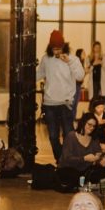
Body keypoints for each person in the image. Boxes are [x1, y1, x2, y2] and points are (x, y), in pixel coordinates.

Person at [37, 30, 84, 159]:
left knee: (69, 135)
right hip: (50, 103)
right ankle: (60, 160)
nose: (56, 51)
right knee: (52, 136)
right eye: (54, 49)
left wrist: (69, 61)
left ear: (64, 46)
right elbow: (39, 74)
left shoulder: (73, 59)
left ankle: (67, 159)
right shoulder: (46, 59)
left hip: (65, 103)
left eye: (58, 48)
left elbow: (80, 76)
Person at [56, 114, 103, 191]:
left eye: (94, 126)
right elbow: (66, 159)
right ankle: (83, 183)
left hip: (85, 170)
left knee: (102, 170)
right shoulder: (71, 136)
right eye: (89, 124)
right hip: (69, 168)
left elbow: (98, 152)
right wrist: (84, 158)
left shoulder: (94, 138)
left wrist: (99, 158)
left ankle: (84, 183)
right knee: (74, 176)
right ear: (83, 123)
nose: (92, 128)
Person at [85, 41, 105, 106]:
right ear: (93, 48)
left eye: (99, 47)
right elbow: (87, 71)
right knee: (94, 102)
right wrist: (93, 64)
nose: (97, 49)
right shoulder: (89, 58)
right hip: (93, 83)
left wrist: (101, 63)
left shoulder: (104, 57)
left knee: (104, 101)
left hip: (102, 83)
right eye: (96, 47)